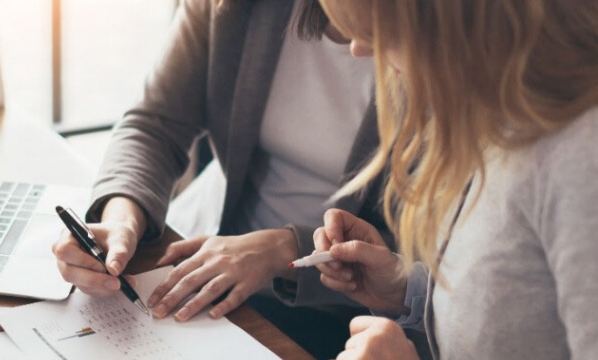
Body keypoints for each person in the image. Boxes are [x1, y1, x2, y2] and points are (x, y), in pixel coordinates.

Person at [312, 0, 598, 358]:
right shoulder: (509, 109)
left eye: (384, 32)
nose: (359, 49)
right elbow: (524, 310)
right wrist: (408, 290)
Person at [50, 0, 394, 357]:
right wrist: (121, 219)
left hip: (339, 311)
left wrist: (284, 249)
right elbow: (155, 123)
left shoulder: (437, 42)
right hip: (199, 248)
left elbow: (431, 257)